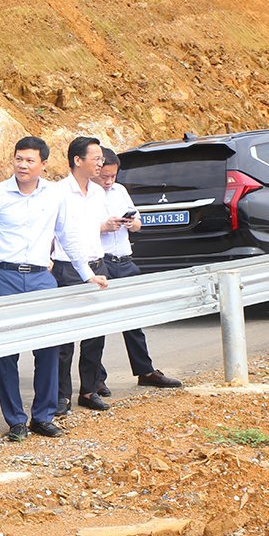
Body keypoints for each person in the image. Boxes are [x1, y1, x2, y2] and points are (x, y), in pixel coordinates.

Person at [0, 136, 107, 441]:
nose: (22, 165)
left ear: (44, 164)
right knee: (6, 351)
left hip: (40, 276)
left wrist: (87, 273)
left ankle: (43, 415)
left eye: (29, 160)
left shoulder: (54, 196)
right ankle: (15, 420)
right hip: (3, 275)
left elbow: (67, 237)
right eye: (18, 159)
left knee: (49, 346)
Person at [91, 148, 182, 391]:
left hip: (125, 259)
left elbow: (139, 223)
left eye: (113, 176)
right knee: (98, 323)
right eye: (105, 177)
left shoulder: (120, 191)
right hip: (102, 261)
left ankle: (145, 370)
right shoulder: (86, 195)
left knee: (134, 319)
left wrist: (131, 223)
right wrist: (104, 226)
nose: (109, 182)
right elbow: (75, 232)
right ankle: (95, 379)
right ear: (94, 170)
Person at [53, 136, 113, 415]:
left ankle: (89, 389)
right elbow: (56, 233)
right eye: (96, 158)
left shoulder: (99, 193)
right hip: (67, 269)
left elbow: (95, 230)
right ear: (78, 160)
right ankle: (60, 396)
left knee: (95, 334)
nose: (101, 163)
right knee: (65, 337)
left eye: (101, 159)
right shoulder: (58, 193)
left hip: (97, 265)